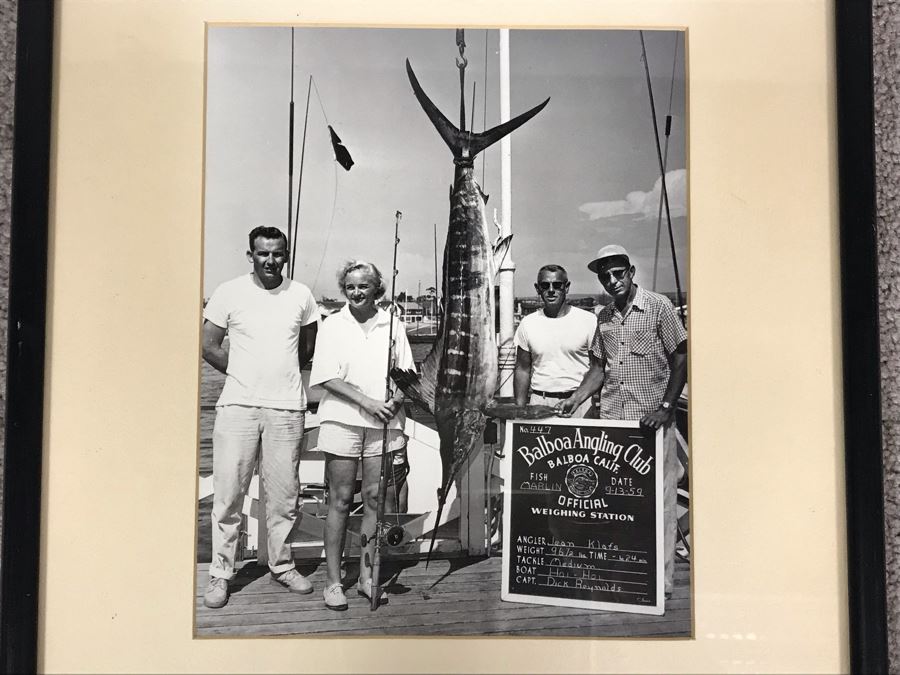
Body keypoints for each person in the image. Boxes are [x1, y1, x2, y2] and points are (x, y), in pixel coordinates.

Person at [559, 244, 687, 598]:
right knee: (618, 504)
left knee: (661, 504)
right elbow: (598, 369)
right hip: (615, 423)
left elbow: (680, 357)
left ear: (631, 272)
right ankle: (623, 576)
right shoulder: (603, 317)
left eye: (618, 273)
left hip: (652, 424)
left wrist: (665, 406)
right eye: (605, 276)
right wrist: (576, 399)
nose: (612, 281)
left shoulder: (659, 306)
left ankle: (659, 585)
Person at [201, 226, 319, 609]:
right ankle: (221, 574)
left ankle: (282, 566)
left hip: (287, 408)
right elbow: (208, 345)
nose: (271, 260)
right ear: (250, 254)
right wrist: (242, 374)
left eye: (278, 253)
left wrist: (280, 378)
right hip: (237, 406)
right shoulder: (228, 292)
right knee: (229, 495)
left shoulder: (301, 295)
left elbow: (307, 349)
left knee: (285, 497)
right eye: (263, 253)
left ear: (287, 254)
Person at [308, 260, 415, 611]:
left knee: (373, 500)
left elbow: (408, 376)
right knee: (339, 500)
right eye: (350, 286)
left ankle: (368, 578)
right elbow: (326, 377)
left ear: (376, 289)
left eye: (363, 286)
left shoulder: (393, 323)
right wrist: (369, 403)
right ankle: (334, 582)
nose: (356, 292)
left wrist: (393, 403)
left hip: (383, 422)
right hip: (342, 421)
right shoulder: (333, 324)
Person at [513, 264, 598, 417]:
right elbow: (522, 369)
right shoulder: (527, 323)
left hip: (579, 403)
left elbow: (597, 368)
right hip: (540, 403)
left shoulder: (589, 320)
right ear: (538, 289)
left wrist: (577, 398)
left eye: (557, 285)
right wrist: (519, 410)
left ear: (567, 287)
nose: (551, 290)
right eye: (545, 285)